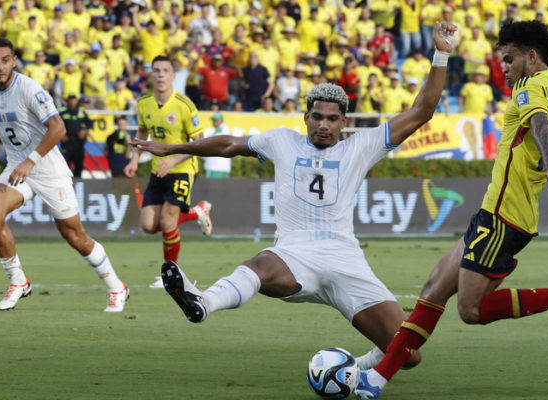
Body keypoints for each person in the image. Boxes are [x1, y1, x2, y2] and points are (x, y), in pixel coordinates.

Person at [132, 22, 458, 373]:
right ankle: (203, 301)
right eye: (317, 116)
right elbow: (229, 144)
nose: (323, 125)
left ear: (343, 122)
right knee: (258, 266)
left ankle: (350, 369)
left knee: (408, 356)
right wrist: (176, 146)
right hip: (293, 254)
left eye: (332, 119)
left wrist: (441, 53)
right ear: (305, 116)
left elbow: (423, 110)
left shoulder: (362, 146)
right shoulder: (282, 141)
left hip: (345, 259)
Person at [354, 21, 548, 399]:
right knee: (434, 288)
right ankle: (376, 378)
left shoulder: (530, 88)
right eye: (502, 60)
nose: (505, 67)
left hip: (504, 216)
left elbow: (543, 124)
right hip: (500, 213)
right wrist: (547, 155)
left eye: (510, 59)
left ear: (532, 57)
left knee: (471, 310)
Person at [0, 37, 128, 312]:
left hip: (48, 170)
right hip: (17, 167)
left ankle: (117, 287)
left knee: (76, 238)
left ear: (14, 61)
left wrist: (31, 162)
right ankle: (17, 280)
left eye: (5, 60)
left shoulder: (29, 89)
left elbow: (58, 128)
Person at [123, 55, 214, 281]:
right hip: (158, 170)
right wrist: (135, 159)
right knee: (148, 225)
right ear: (151, 75)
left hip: (182, 168)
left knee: (167, 221)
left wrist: (173, 159)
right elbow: (142, 132)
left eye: (165, 71)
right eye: (156, 70)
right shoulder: (144, 103)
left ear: (173, 77)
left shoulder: (184, 105)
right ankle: (196, 212)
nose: (161, 74)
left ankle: (170, 274)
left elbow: (198, 143)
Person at [59, 94, 90, 177]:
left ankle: (79, 185)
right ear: (67, 101)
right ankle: (66, 186)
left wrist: (84, 130)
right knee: (65, 165)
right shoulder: (62, 111)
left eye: (74, 100)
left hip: (78, 142)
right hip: (67, 142)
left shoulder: (81, 111)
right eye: (71, 100)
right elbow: (56, 124)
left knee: (79, 165)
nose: (73, 102)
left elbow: (89, 123)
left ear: (77, 101)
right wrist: (61, 135)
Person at [203, 112, 232, 178]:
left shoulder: (220, 130)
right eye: (213, 120)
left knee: (211, 188)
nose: (213, 122)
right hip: (223, 167)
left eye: (215, 120)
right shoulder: (223, 130)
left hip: (215, 167)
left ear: (221, 121)